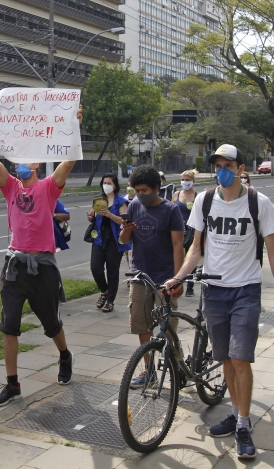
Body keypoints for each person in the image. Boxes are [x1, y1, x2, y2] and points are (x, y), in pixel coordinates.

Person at [169, 144, 274, 460]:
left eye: (228, 165)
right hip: (214, 290)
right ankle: (237, 412)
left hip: (245, 291)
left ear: (240, 169)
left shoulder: (258, 203)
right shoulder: (205, 200)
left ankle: (242, 424)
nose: (222, 170)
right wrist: (179, 277)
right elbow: (195, 249)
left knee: (241, 359)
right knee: (225, 357)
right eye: (217, 165)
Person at [0, 105, 83, 407]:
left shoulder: (48, 187)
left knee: (51, 322)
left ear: (36, 163)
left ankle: (64, 355)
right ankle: (12, 384)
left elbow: (69, 163)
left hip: (42, 265)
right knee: (8, 324)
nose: (17, 166)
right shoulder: (10, 188)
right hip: (14, 266)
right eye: (16, 162)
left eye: (23, 161)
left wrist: (74, 127)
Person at [119, 165, 184, 386]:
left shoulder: (170, 210)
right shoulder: (134, 206)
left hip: (165, 276)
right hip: (140, 275)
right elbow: (125, 240)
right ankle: (149, 371)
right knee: (141, 323)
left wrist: (178, 277)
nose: (140, 195)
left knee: (168, 326)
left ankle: (176, 368)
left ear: (157, 188)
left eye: (145, 190)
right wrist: (127, 228)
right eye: (137, 190)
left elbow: (178, 245)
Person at [87, 173, 130, 313]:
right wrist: (90, 216)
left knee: (112, 271)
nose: (106, 185)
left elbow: (124, 221)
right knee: (95, 267)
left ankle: (110, 300)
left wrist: (110, 215)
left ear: (114, 185)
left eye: (109, 183)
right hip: (99, 238)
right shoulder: (99, 199)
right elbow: (93, 217)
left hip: (114, 239)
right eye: (104, 182)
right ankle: (104, 291)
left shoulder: (120, 201)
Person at [172, 169, 198, 296]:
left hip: (191, 231)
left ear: (193, 181)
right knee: (176, 257)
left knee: (190, 258)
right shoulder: (177, 194)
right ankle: (176, 281)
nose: (185, 182)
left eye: (187, 180)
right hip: (177, 230)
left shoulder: (197, 196)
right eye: (183, 180)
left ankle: (190, 285)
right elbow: (170, 210)